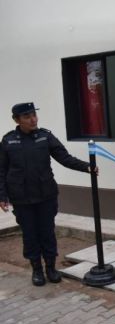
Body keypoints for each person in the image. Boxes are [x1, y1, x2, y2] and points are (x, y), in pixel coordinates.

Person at [0, 103, 93, 286]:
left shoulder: (45, 137)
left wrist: (87, 167)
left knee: (47, 232)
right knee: (30, 234)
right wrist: (2, 196)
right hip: (22, 198)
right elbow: (1, 170)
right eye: (27, 116)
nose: (33, 119)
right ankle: (37, 270)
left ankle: (51, 267)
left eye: (34, 115)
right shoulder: (8, 141)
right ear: (17, 120)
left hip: (45, 195)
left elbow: (64, 158)